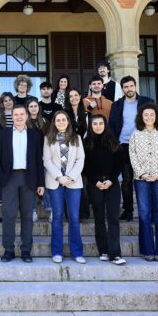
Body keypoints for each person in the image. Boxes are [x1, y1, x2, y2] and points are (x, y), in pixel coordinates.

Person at [0, 105, 45, 263]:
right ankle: (8, 250)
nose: (19, 117)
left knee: (27, 216)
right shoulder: (3, 134)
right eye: (16, 114)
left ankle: (26, 250)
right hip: (10, 179)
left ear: (27, 116)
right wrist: (2, 177)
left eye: (22, 114)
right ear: (12, 117)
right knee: (9, 215)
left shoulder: (34, 135)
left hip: (29, 178)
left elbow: (39, 160)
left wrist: (41, 183)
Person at [129, 103, 158, 262]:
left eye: (152, 115)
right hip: (141, 179)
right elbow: (133, 156)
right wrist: (142, 173)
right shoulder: (135, 135)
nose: (149, 117)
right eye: (146, 115)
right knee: (144, 214)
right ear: (141, 117)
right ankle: (147, 250)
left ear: (157, 116)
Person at [108, 76, 154, 221]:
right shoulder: (117, 105)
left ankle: (148, 212)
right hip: (123, 146)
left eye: (131, 86)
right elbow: (112, 126)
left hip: (143, 146)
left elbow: (156, 121)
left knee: (145, 179)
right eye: (126, 87)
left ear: (135, 86)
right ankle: (128, 211)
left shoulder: (147, 102)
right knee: (127, 180)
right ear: (122, 89)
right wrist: (115, 145)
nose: (129, 89)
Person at [43, 111, 86, 264]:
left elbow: (81, 159)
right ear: (54, 123)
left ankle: (77, 252)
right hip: (55, 182)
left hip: (73, 182)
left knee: (74, 217)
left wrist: (70, 177)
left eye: (63, 120)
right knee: (57, 217)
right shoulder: (48, 139)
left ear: (68, 121)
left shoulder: (76, 138)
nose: (61, 122)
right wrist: (59, 177)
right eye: (58, 120)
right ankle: (57, 252)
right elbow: (47, 161)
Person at [83, 114, 126, 265]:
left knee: (113, 218)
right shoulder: (86, 143)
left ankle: (115, 254)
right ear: (91, 126)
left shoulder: (113, 142)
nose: (98, 126)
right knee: (99, 218)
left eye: (100, 123)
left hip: (111, 184)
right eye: (95, 124)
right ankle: (103, 250)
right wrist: (95, 181)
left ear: (105, 125)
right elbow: (85, 166)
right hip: (94, 184)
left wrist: (111, 180)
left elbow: (119, 164)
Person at [65, 87, 90, 220]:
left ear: (80, 97)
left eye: (76, 95)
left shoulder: (86, 114)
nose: (74, 98)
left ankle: (83, 213)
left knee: (83, 184)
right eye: (71, 96)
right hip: (68, 152)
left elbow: (89, 133)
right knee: (69, 182)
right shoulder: (65, 114)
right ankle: (69, 214)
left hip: (84, 152)